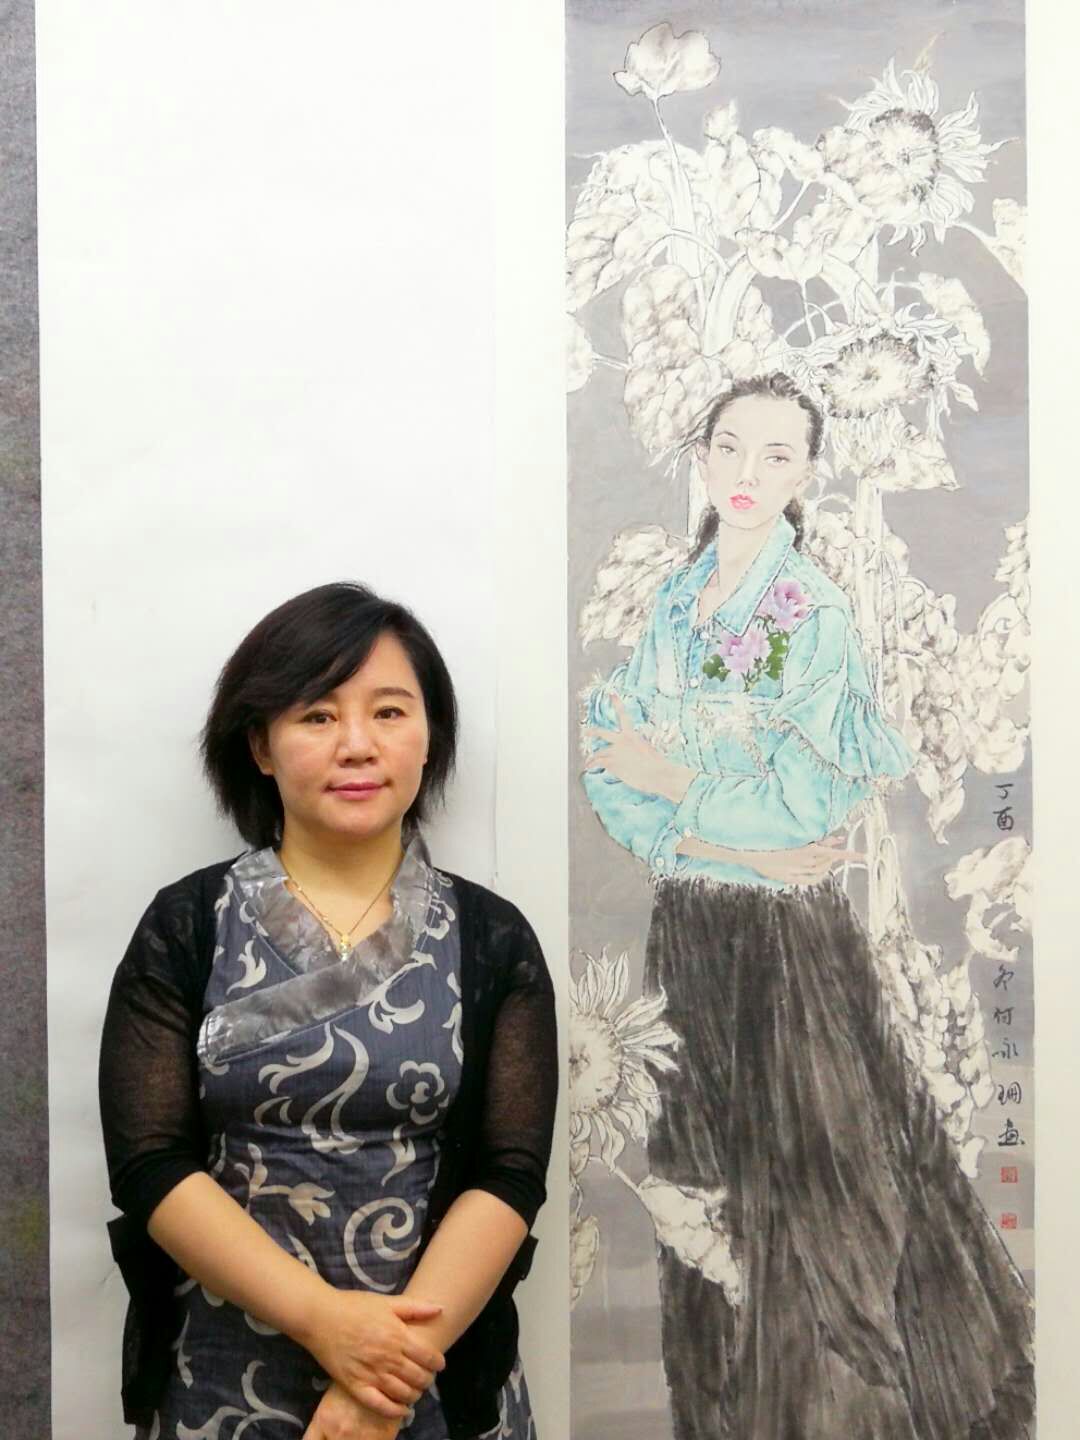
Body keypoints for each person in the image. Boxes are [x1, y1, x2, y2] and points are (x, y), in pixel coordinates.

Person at [582, 374, 1034, 1439]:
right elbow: (610, 771)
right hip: (689, 934)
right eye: (730, 448)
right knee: (706, 1188)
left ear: (805, 476)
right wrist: (704, 832)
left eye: (776, 455)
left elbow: (804, 808)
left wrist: (677, 783)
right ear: (702, 456)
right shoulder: (676, 603)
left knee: (821, 1188)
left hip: (789, 947)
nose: (747, 474)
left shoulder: (814, 614)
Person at [99, 582, 557, 1440]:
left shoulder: (493, 939)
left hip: (431, 1376)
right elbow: (150, 1163)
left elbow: (509, 1174)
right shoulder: (186, 925)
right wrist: (329, 1325)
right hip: (221, 1380)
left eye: (389, 712)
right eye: (317, 715)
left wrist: (377, 1386)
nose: (357, 744)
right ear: (260, 746)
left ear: (429, 737)